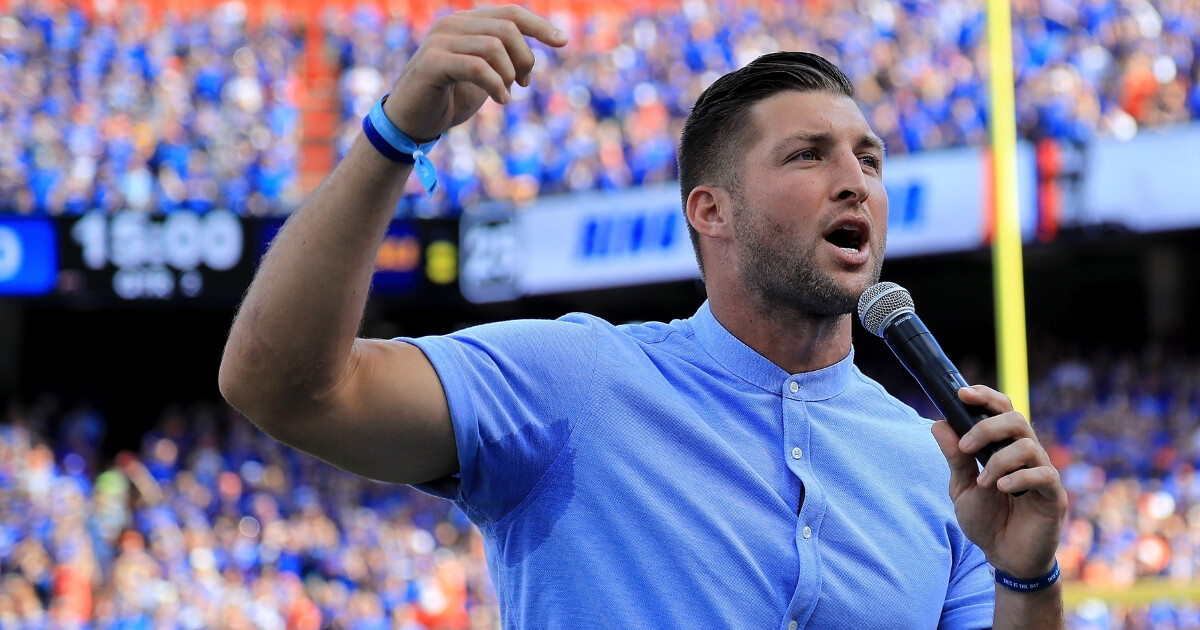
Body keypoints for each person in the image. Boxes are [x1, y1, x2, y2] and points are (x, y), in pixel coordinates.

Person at [218, 6, 1067, 628]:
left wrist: (1027, 579)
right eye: (808, 155)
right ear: (711, 211)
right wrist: (395, 136)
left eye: (868, 158)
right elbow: (283, 385)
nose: (855, 181)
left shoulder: (937, 468)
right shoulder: (574, 380)